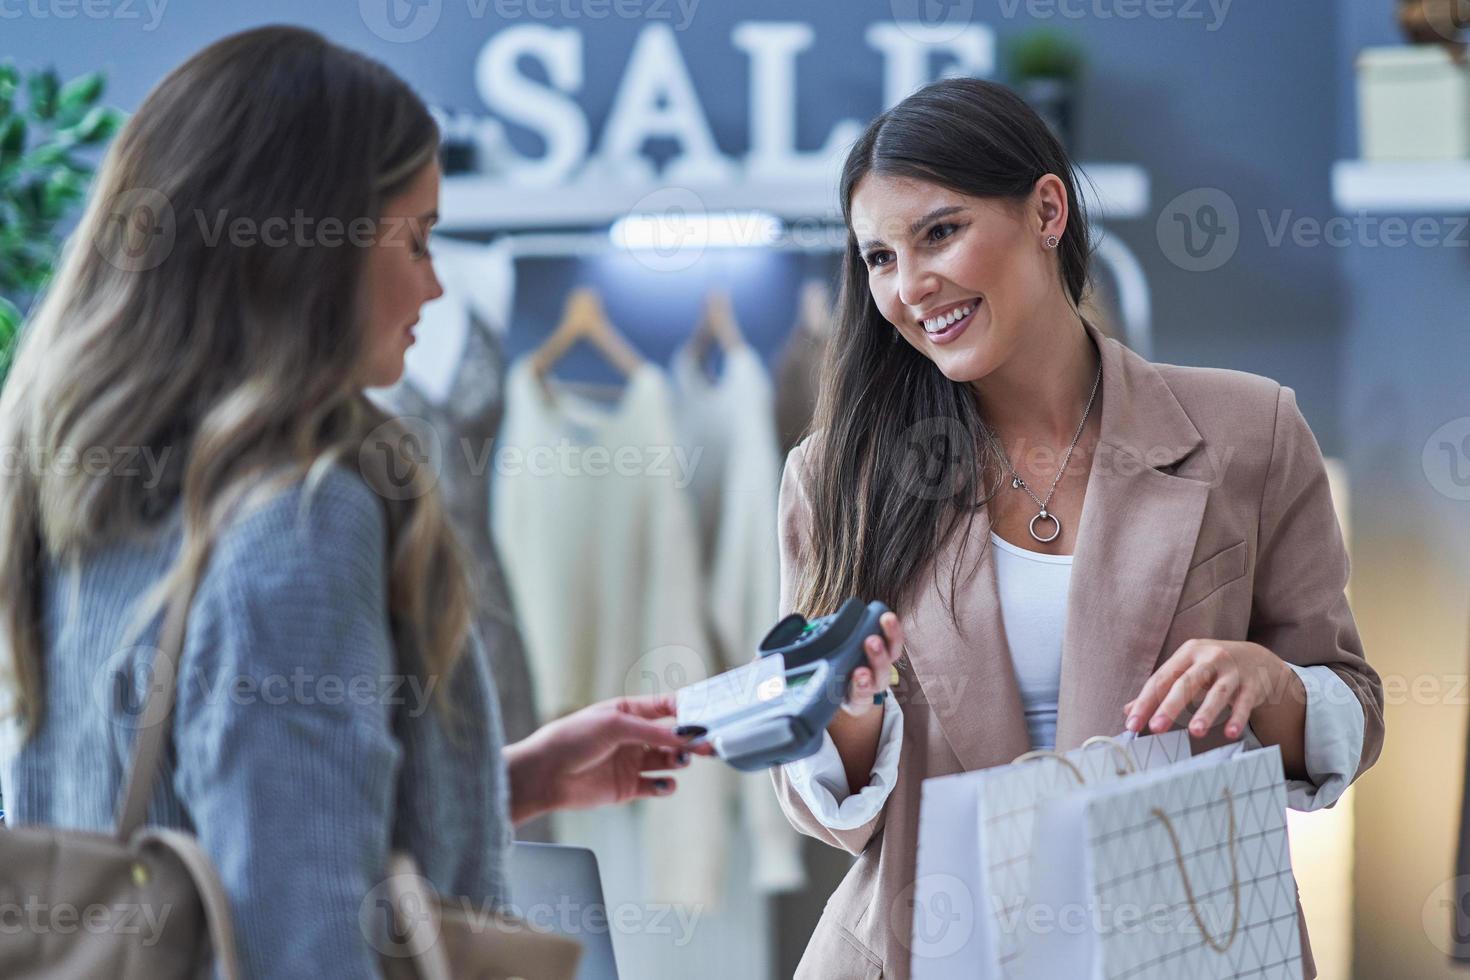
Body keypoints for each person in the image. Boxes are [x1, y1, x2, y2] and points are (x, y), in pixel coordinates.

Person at [0, 26, 705, 978]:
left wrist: (509, 783)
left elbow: (194, 861)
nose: (434, 281)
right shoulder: (299, 517)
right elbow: (302, 940)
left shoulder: (73, 483)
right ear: (301, 252)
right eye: (414, 239)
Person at [769, 77, 1385, 980]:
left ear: (1047, 210)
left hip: (1178, 940)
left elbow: (1353, 713)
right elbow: (824, 800)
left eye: (940, 233)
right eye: (879, 258)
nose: (910, 287)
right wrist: (850, 708)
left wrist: (1269, 684)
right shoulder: (836, 478)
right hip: (927, 947)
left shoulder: (1251, 430)